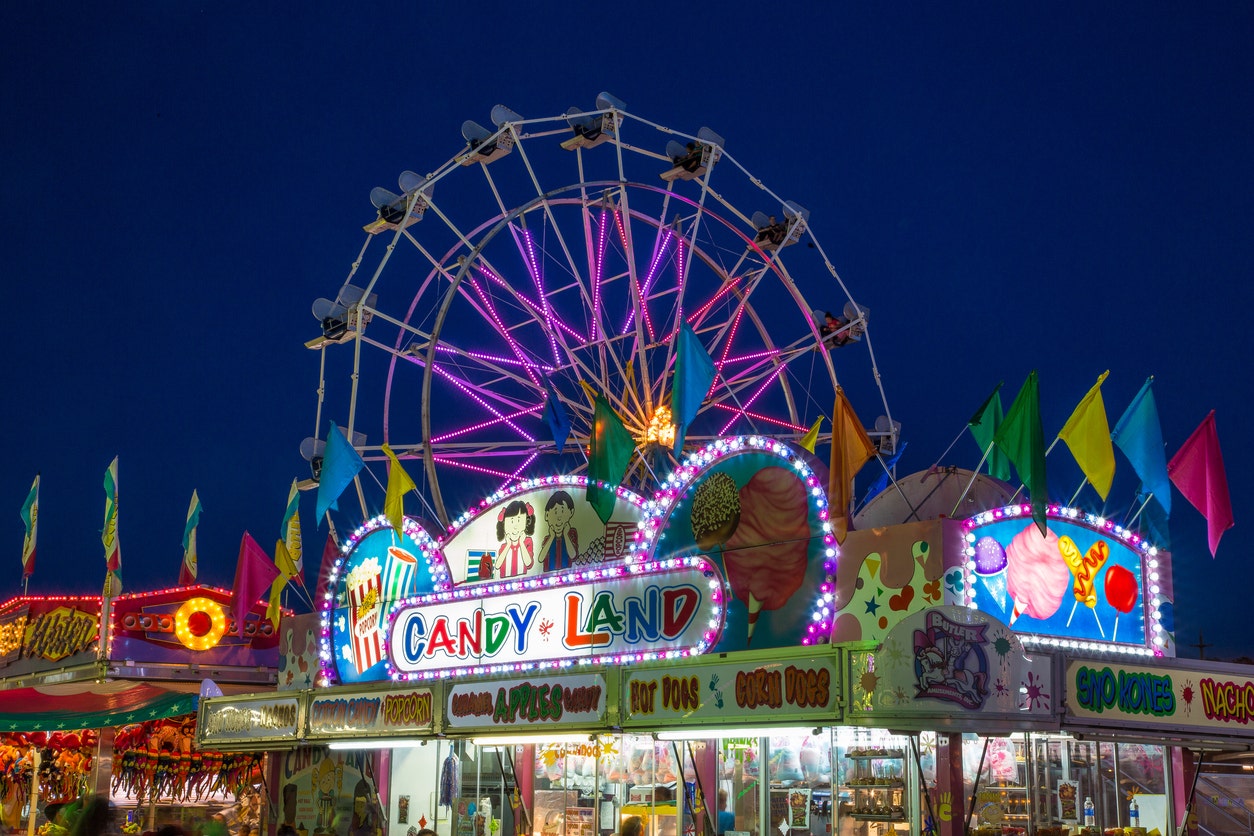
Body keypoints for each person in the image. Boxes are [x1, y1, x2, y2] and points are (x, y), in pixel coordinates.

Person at [539, 490, 579, 572]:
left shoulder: (571, 534)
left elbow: (573, 555)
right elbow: (541, 558)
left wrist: (566, 534)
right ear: (547, 515)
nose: (559, 518)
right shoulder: (548, 539)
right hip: (548, 576)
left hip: (568, 575)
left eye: (563, 511)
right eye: (555, 512)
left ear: (571, 512)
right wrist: (552, 537)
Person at [495, 500, 536, 578]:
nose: (515, 527)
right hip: (504, 584)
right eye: (511, 521)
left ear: (526, 523)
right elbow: (497, 565)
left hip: (523, 583)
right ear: (504, 525)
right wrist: (508, 545)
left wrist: (521, 543)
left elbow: (528, 563)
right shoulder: (504, 546)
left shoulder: (527, 541)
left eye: (519, 520)